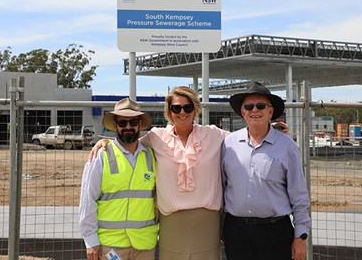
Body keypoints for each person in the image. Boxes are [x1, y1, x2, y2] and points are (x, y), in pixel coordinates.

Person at [89, 86, 290, 260]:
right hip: (171, 223)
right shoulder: (156, 137)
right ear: (169, 111)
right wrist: (105, 142)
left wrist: (267, 126)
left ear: (195, 110)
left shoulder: (212, 134)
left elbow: (245, 139)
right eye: (176, 108)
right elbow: (129, 144)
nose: (182, 112)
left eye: (187, 107)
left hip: (207, 222)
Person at [221, 81, 311, 260]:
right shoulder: (228, 144)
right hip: (236, 232)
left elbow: (299, 195)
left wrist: (301, 237)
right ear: (243, 112)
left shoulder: (287, 146)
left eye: (261, 106)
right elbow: (221, 188)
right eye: (249, 106)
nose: (255, 110)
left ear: (270, 112)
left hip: (275, 232)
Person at [78, 98, 158, 260]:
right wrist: (91, 241)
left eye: (133, 122)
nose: (128, 127)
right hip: (110, 245)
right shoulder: (101, 155)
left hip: (144, 246)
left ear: (139, 124)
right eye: (122, 123)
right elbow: (87, 200)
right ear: (114, 125)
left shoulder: (152, 155)